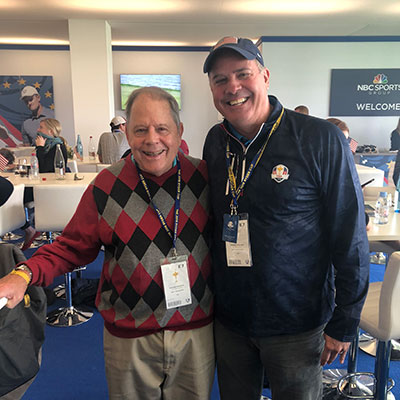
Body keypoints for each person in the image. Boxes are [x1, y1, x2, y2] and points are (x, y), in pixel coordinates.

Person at [0, 87, 214, 400]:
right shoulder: (107, 185)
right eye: (140, 130)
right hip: (129, 338)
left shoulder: (204, 177)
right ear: (126, 133)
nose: (152, 140)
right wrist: (24, 273)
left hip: (195, 333)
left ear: (179, 131)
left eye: (162, 129)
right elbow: (70, 246)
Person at [202, 36, 369, 400]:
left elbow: (350, 234)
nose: (233, 87)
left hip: (296, 319)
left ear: (265, 76)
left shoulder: (319, 138)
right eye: (220, 79)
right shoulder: (216, 141)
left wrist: (345, 321)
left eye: (243, 74)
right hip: (231, 316)